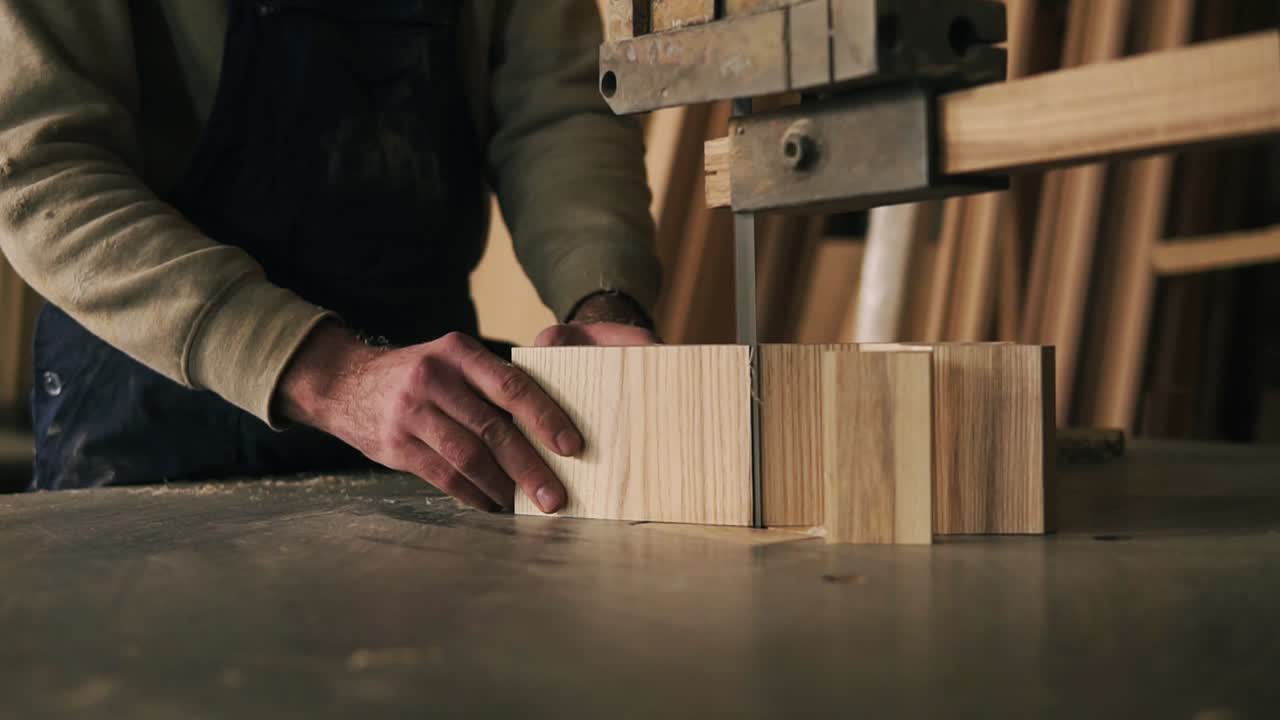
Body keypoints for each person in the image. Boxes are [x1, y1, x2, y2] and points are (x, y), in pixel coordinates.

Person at [0, 0, 663, 512]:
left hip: (424, 419)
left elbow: (558, 113)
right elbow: (40, 166)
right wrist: (335, 377)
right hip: (151, 415)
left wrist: (602, 296)